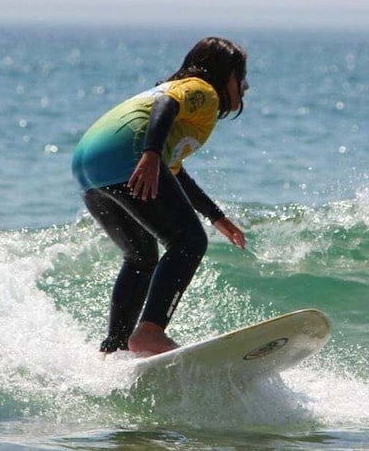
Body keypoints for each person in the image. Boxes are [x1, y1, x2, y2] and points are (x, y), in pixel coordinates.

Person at [71, 36, 249, 355]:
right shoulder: (203, 90)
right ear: (223, 75)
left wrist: (216, 217)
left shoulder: (185, 100)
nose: (246, 87)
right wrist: (151, 153)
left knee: (141, 256)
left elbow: (175, 172)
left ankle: (114, 348)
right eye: (241, 77)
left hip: (91, 166)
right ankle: (150, 332)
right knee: (189, 242)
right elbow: (167, 105)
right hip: (128, 157)